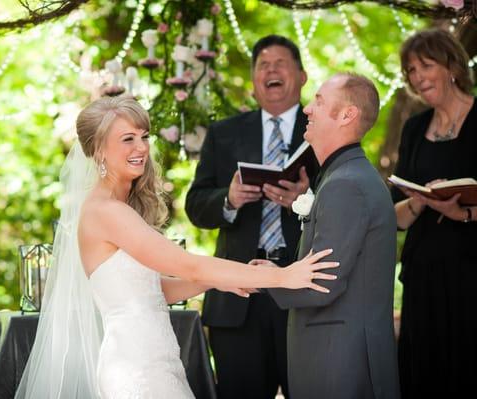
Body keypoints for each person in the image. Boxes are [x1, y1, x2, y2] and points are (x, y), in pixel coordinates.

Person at [15, 95, 338, 398]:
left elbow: (155, 291)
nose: (141, 147)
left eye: (144, 136)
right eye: (127, 139)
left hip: (155, 357)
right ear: (99, 151)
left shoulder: (117, 207)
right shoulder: (106, 212)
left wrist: (222, 279)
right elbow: (188, 264)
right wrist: (284, 276)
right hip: (135, 366)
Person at [185, 35, 317, 399]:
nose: (271, 70)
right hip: (237, 297)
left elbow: (345, 206)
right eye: (262, 65)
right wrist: (227, 199)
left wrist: (305, 202)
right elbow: (195, 205)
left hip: (301, 293)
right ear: (254, 80)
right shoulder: (223, 133)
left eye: (280, 63)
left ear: (302, 76)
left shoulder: (322, 132)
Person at [258, 73, 400, 398]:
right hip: (336, 358)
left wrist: (266, 277)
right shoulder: (344, 176)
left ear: (347, 115)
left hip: (339, 364)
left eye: (319, 101)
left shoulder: (346, 185)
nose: (307, 108)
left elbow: (322, 284)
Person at [391, 28, 477, 398]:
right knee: (424, 376)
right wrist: (421, 200)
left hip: (472, 275)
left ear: (452, 66)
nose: (418, 76)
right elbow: (397, 217)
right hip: (423, 275)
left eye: (426, 65)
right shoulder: (413, 128)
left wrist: (463, 215)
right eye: (411, 70)